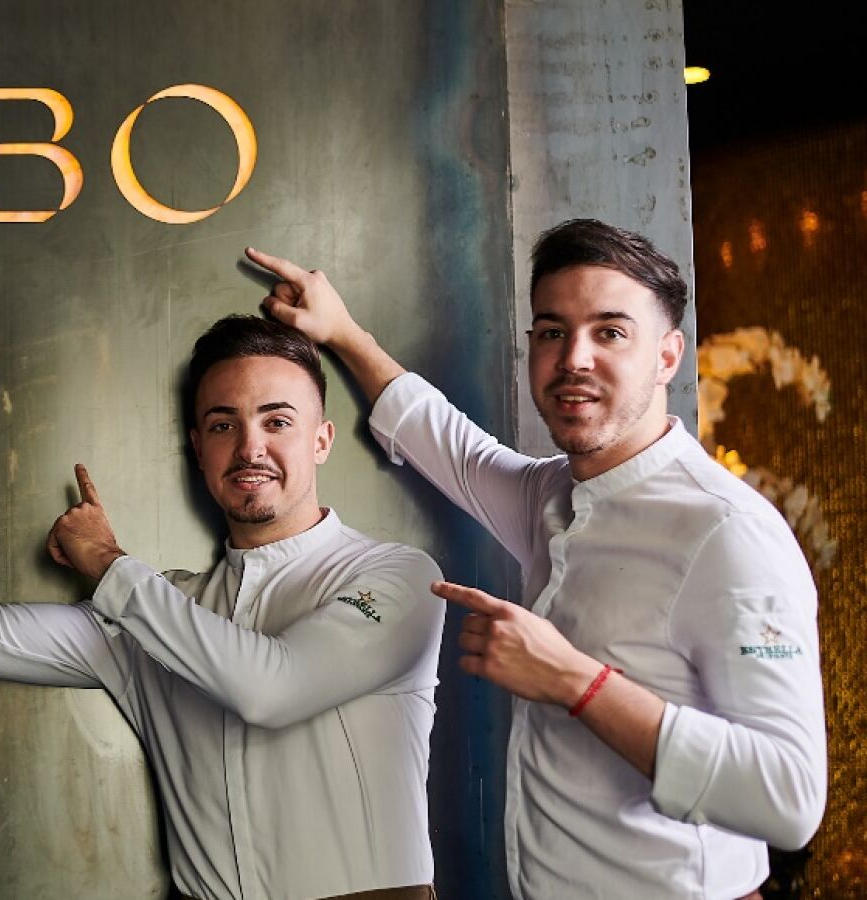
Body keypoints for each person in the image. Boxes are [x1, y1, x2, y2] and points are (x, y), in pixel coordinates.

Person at [245, 219, 827, 899]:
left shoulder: (727, 533)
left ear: (668, 357)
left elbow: (789, 798)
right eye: (553, 332)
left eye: (610, 332)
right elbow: (454, 447)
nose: (574, 358)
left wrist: (576, 682)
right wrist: (344, 333)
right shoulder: (556, 494)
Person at [0, 288, 444, 899]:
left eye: (277, 421)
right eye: (223, 425)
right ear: (198, 448)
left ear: (320, 440)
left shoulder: (399, 577)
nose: (250, 448)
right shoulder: (150, 614)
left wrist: (107, 564)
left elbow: (273, 688)